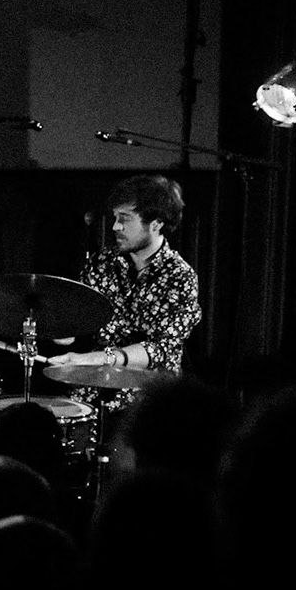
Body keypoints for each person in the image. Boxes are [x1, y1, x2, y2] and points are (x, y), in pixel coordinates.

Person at [45, 175, 201, 420]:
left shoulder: (180, 277)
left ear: (156, 223)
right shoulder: (103, 263)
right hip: (95, 390)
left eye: (125, 219)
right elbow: (77, 320)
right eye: (116, 217)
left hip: (152, 402)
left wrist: (98, 358)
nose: (115, 226)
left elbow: (161, 349)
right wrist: (57, 326)